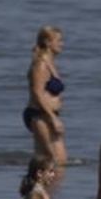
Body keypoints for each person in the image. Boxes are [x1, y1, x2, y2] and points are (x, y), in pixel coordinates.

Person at [23, 26, 67, 165]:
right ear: (48, 42)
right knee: (51, 160)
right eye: (59, 40)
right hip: (40, 114)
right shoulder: (41, 65)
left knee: (59, 161)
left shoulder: (50, 63)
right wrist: (52, 117)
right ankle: (35, 179)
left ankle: (36, 178)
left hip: (49, 114)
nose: (62, 44)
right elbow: (37, 93)